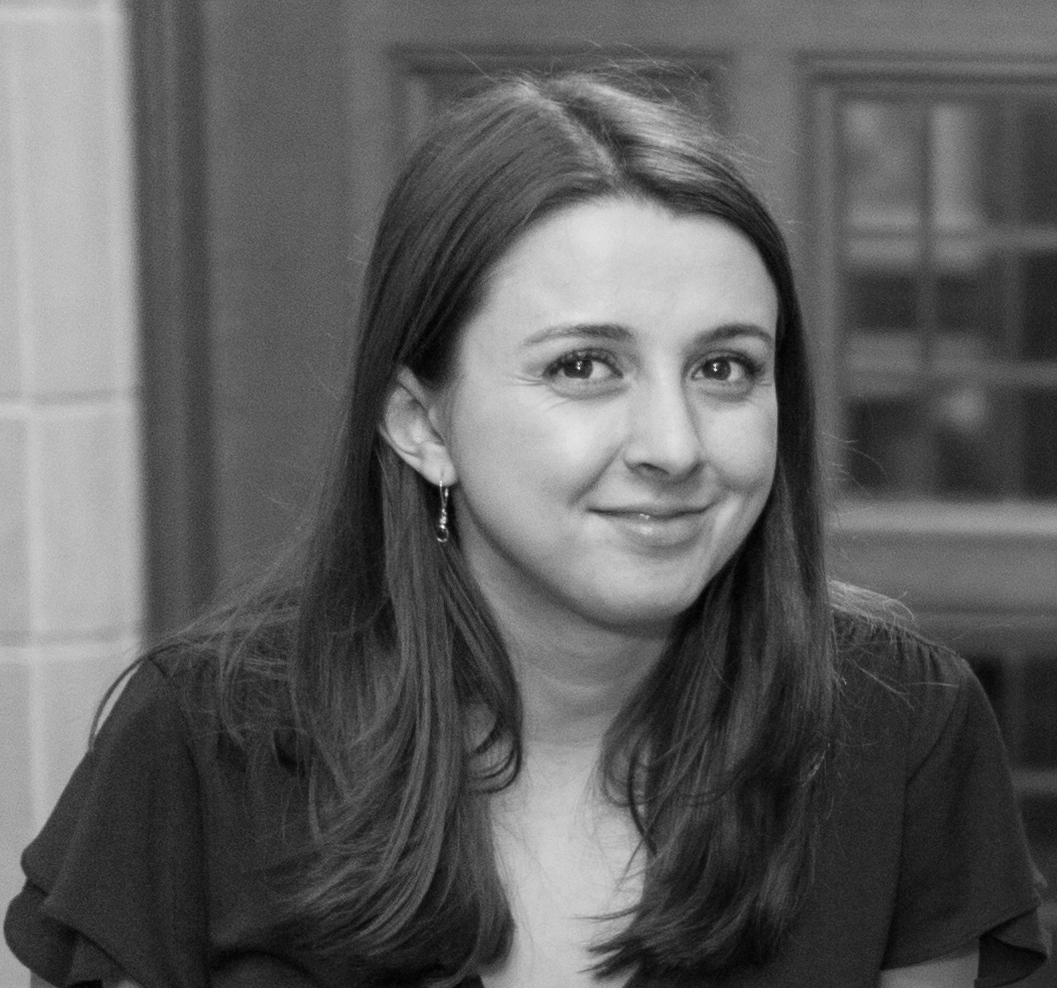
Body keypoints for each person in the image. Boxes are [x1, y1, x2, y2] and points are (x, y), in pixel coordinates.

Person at [4, 71, 1050, 988]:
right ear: (421, 423)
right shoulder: (203, 743)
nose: (675, 445)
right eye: (581, 366)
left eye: (723, 367)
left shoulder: (894, 723)